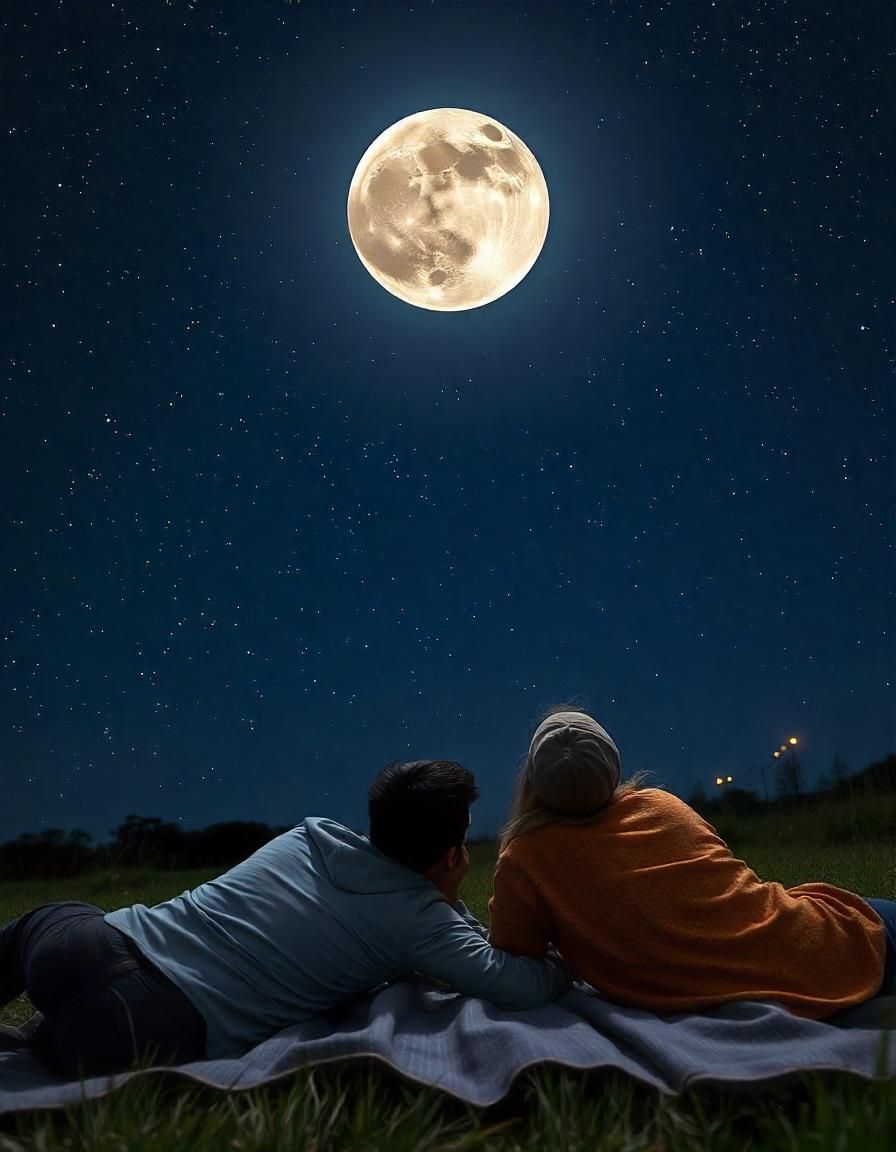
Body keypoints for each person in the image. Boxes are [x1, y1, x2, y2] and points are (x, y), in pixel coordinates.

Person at [0, 760, 569, 1077]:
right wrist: (563, 957)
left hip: (92, 942)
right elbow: (515, 983)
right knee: (80, 1038)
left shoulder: (310, 835)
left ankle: (37, 1032)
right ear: (450, 855)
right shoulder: (419, 920)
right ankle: (46, 1040)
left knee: (39, 929)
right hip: (142, 1024)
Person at [488, 708, 896, 1019]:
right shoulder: (662, 806)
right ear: (611, 765)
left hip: (784, 971)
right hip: (822, 942)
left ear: (533, 782)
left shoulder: (524, 859)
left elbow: (513, 949)